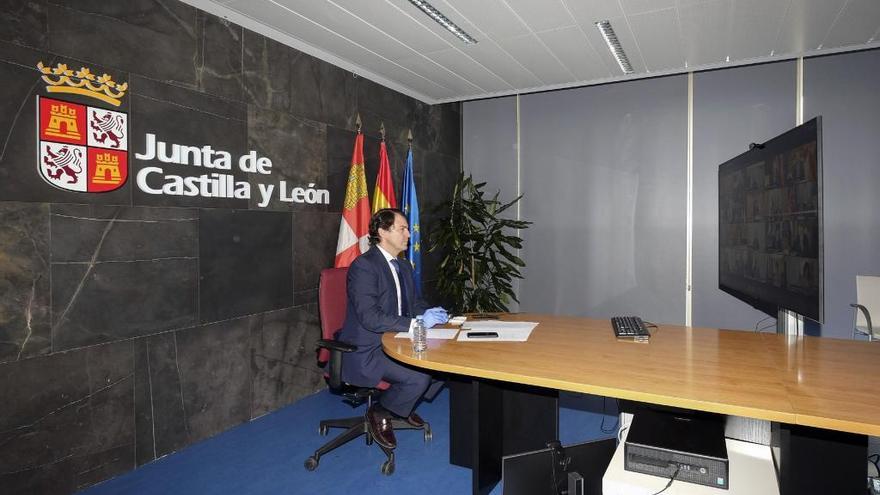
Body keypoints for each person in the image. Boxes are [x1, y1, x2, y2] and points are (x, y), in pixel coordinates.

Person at [337, 208, 449, 450]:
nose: (409, 234)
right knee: (420, 377)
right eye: (402, 229)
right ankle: (381, 411)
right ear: (382, 232)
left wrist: (434, 315)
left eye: (408, 229)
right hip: (368, 348)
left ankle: (400, 407)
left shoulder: (404, 266)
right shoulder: (365, 266)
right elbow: (371, 318)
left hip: (398, 340)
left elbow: (414, 304)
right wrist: (416, 323)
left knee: (444, 367)